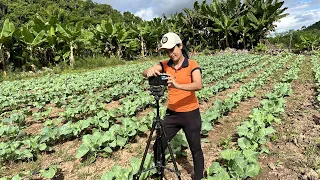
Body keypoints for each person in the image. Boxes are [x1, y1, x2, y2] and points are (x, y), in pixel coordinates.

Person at [142, 32, 204, 180]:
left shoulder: (192, 64)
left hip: (190, 113)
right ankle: (159, 173)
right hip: (172, 114)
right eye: (167, 51)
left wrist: (177, 84)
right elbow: (145, 72)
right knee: (158, 144)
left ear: (180, 46)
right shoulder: (165, 64)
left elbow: (198, 84)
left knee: (195, 149)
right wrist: (148, 71)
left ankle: (198, 177)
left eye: (172, 49)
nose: (170, 53)